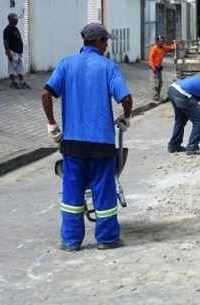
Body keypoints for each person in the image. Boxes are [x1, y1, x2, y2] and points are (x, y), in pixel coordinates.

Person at [41, 23, 132, 252]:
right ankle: (107, 239)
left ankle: (71, 241)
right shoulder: (108, 67)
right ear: (99, 41)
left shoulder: (66, 63)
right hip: (101, 144)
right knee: (103, 191)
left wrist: (52, 124)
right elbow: (127, 98)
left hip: (72, 144)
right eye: (106, 41)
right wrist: (125, 117)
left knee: (72, 192)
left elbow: (46, 93)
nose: (107, 45)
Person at [4, 13, 29, 89]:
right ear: (10, 20)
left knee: (20, 68)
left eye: (17, 19)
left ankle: (22, 82)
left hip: (18, 52)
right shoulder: (7, 30)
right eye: (15, 19)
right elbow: (5, 41)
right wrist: (8, 53)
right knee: (12, 67)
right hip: (12, 51)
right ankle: (13, 82)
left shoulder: (15, 28)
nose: (17, 20)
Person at [148, 35, 176, 101]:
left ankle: (158, 96)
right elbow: (150, 59)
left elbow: (170, 48)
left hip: (159, 68)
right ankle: (155, 97)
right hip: (154, 68)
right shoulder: (154, 48)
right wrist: (153, 68)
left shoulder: (163, 47)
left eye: (163, 41)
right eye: (160, 41)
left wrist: (175, 44)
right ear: (157, 42)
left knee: (160, 83)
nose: (162, 43)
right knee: (155, 83)